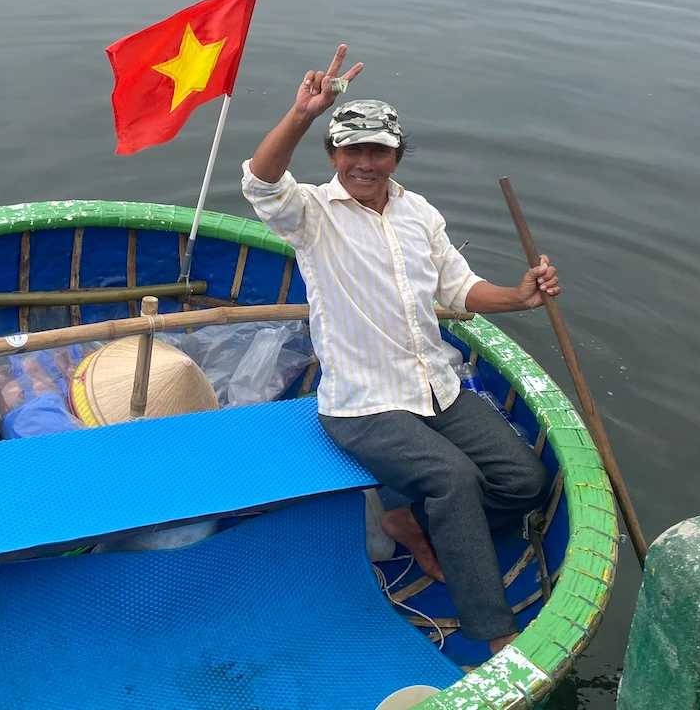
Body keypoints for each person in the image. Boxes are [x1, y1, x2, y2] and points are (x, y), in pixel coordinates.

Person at [240, 44, 560, 654]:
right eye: (352, 149)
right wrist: (302, 112)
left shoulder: (420, 214)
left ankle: (409, 521)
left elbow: (462, 289)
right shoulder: (310, 213)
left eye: (378, 150)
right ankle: (494, 631)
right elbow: (261, 179)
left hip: (435, 388)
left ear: (396, 155)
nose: (365, 162)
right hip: (361, 404)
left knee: (525, 480)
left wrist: (519, 298)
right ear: (334, 155)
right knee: (454, 479)